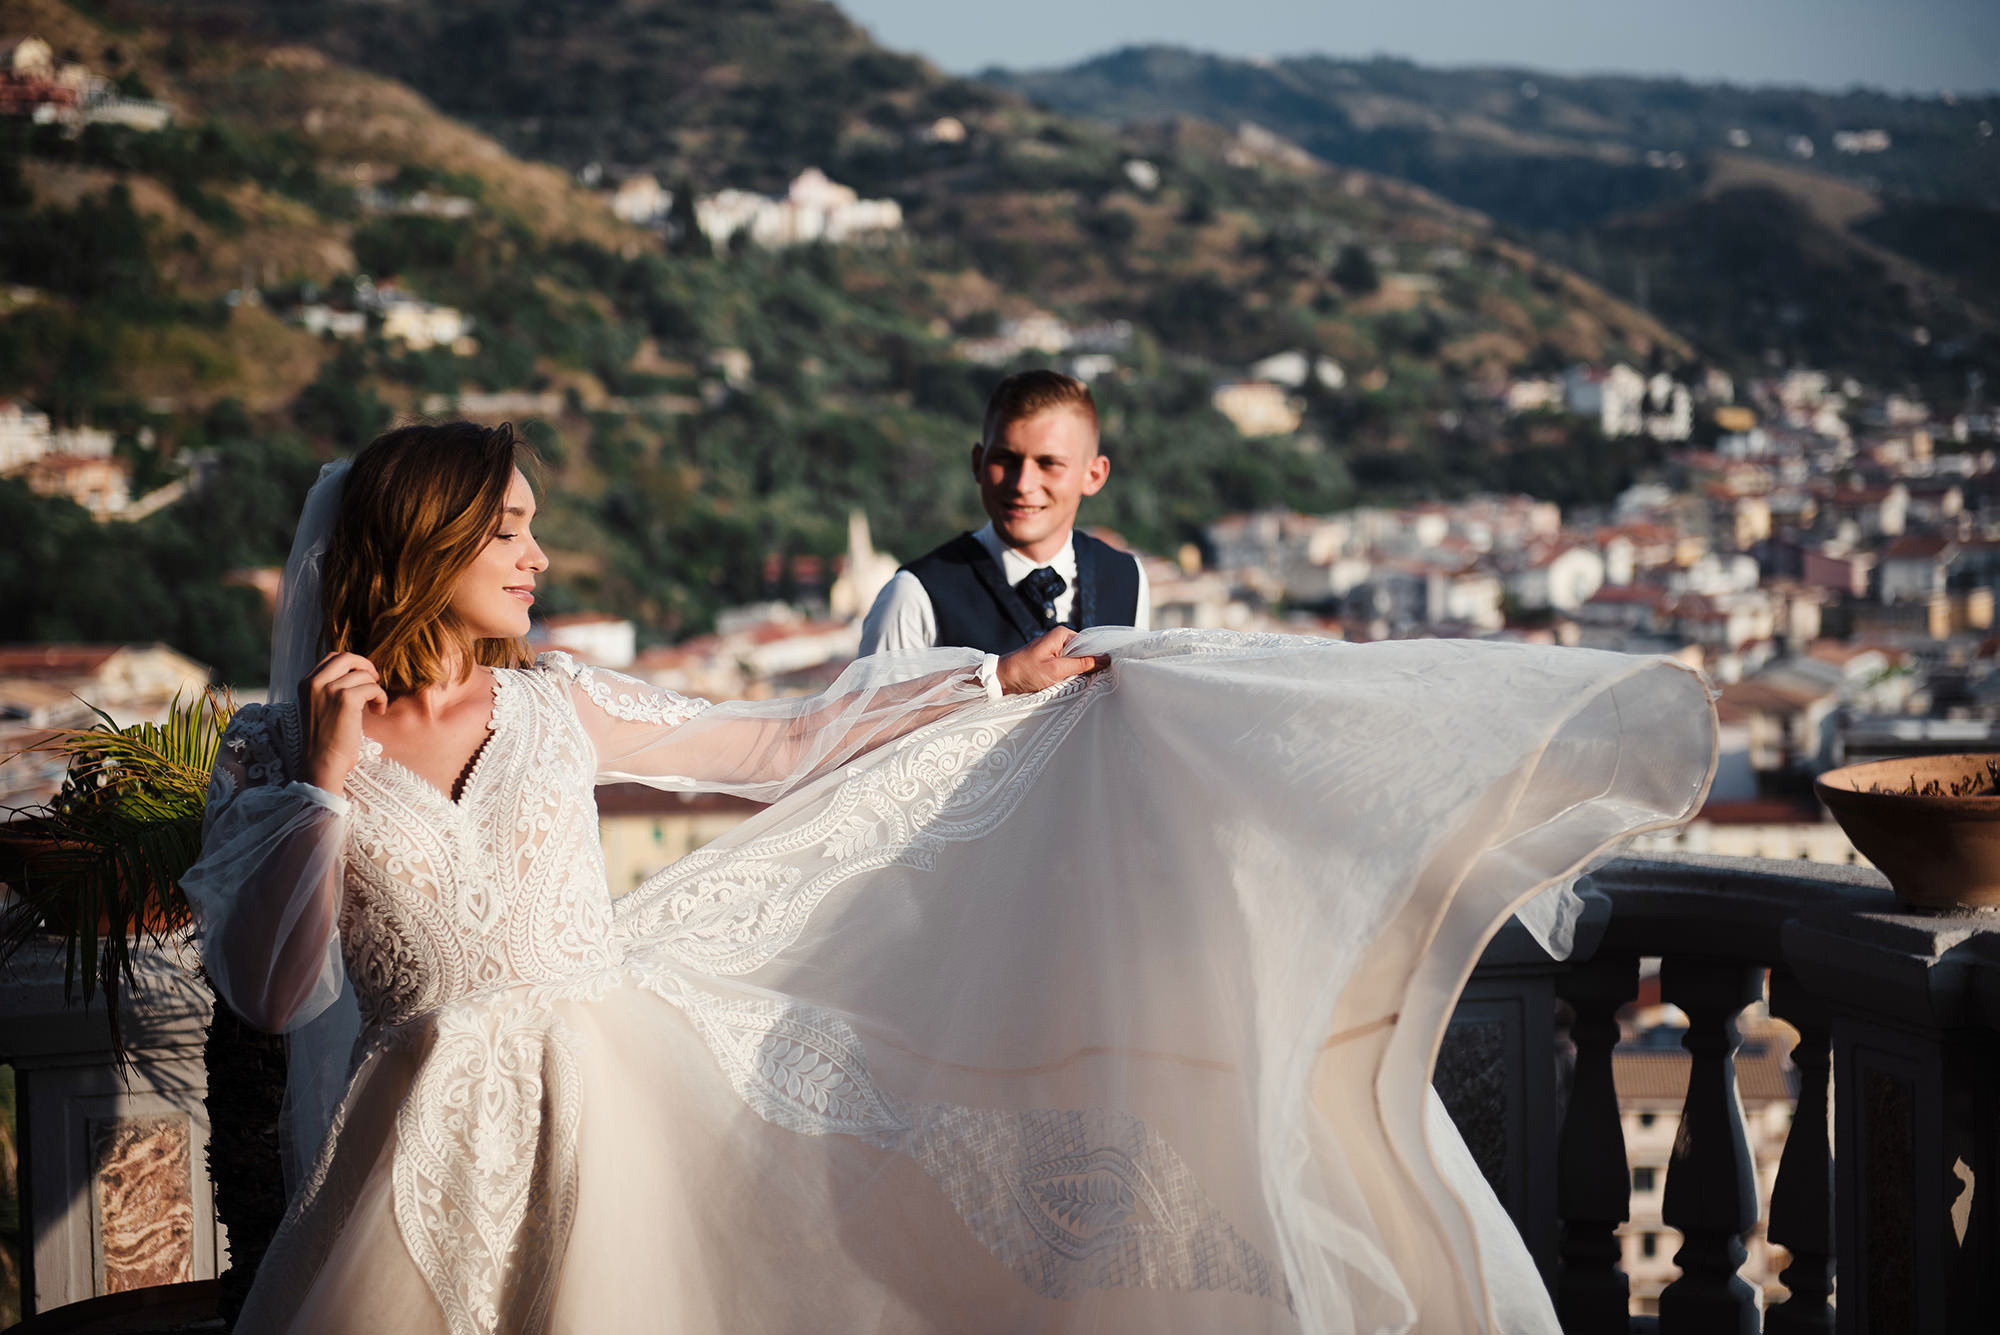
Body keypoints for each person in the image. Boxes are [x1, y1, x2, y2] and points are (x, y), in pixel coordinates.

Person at [183, 419, 1718, 1334]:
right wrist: (324, 778)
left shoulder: (552, 697)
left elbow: (782, 740)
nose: (537, 551)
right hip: (421, 1143)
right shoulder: (282, 746)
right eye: (507, 527)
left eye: (531, 524)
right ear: (427, 535)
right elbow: (267, 983)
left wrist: (984, 688)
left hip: (611, 1106)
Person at [860, 370, 1150, 656]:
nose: (1022, 484)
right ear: (977, 463)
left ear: (1094, 475)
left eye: (1049, 463)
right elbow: (875, 704)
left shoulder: (1128, 578)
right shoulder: (913, 596)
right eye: (1004, 459)